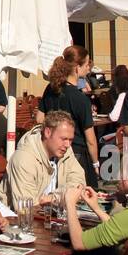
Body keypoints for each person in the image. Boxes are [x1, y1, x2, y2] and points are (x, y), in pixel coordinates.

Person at [36, 46, 99, 183]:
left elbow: (39, 118)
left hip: (52, 151)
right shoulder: (81, 99)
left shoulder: (51, 88)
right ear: (77, 68)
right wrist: (96, 164)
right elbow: (90, 139)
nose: (89, 67)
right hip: (76, 154)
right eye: (87, 64)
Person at [5, 111, 86, 208]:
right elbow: (27, 208)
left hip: (54, 214)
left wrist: (52, 198)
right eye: (64, 139)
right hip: (18, 219)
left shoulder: (65, 150)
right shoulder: (24, 159)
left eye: (70, 140)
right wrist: (66, 197)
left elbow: (79, 181)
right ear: (47, 132)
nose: (68, 144)